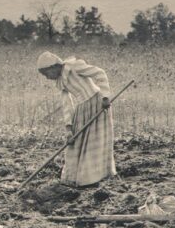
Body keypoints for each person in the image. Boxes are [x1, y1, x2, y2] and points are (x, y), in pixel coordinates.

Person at [37, 51, 116, 187]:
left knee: (95, 140)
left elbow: (100, 73)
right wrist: (68, 128)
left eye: (46, 74)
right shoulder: (60, 82)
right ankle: (75, 177)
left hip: (98, 103)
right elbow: (67, 104)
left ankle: (94, 177)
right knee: (75, 142)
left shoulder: (74, 67)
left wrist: (105, 97)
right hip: (82, 109)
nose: (47, 78)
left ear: (53, 66)